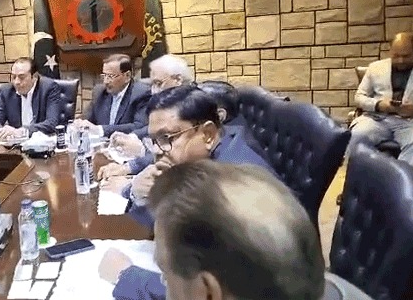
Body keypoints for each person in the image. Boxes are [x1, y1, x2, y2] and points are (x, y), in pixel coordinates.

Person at [100, 159, 373, 300]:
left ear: (208, 293)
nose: (164, 283)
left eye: (165, 276)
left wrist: (126, 276)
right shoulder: (329, 287)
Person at [102, 85, 273, 229]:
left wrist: (134, 193)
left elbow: (184, 241)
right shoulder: (216, 145)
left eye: (167, 137)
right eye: (153, 140)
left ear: (207, 134)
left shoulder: (232, 182)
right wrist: (139, 194)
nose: (156, 150)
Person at [99, 55, 193, 178]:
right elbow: (150, 129)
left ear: (178, 80)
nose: (154, 91)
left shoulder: (191, 105)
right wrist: (133, 136)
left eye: (158, 83)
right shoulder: (174, 102)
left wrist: (130, 166)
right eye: (153, 84)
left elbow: (170, 153)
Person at [350, 31, 413, 164]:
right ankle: (362, 175)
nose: (401, 60)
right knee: (358, 135)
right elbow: (359, 97)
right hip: (376, 119)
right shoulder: (375, 68)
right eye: (396, 56)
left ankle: (402, 176)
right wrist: (378, 105)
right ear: (390, 51)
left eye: (406, 56)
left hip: (408, 123)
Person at [75, 54, 150, 137]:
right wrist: (79, 123)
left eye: (111, 76)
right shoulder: (100, 92)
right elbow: (86, 119)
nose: (106, 81)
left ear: (127, 76)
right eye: (104, 75)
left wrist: (101, 130)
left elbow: (139, 126)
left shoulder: (141, 93)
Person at [0, 57, 62, 139]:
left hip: (42, 142)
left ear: (34, 76)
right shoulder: (7, 91)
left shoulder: (49, 88)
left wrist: (22, 131)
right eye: (13, 77)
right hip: (15, 144)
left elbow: (52, 123)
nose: (16, 82)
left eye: (21, 77)